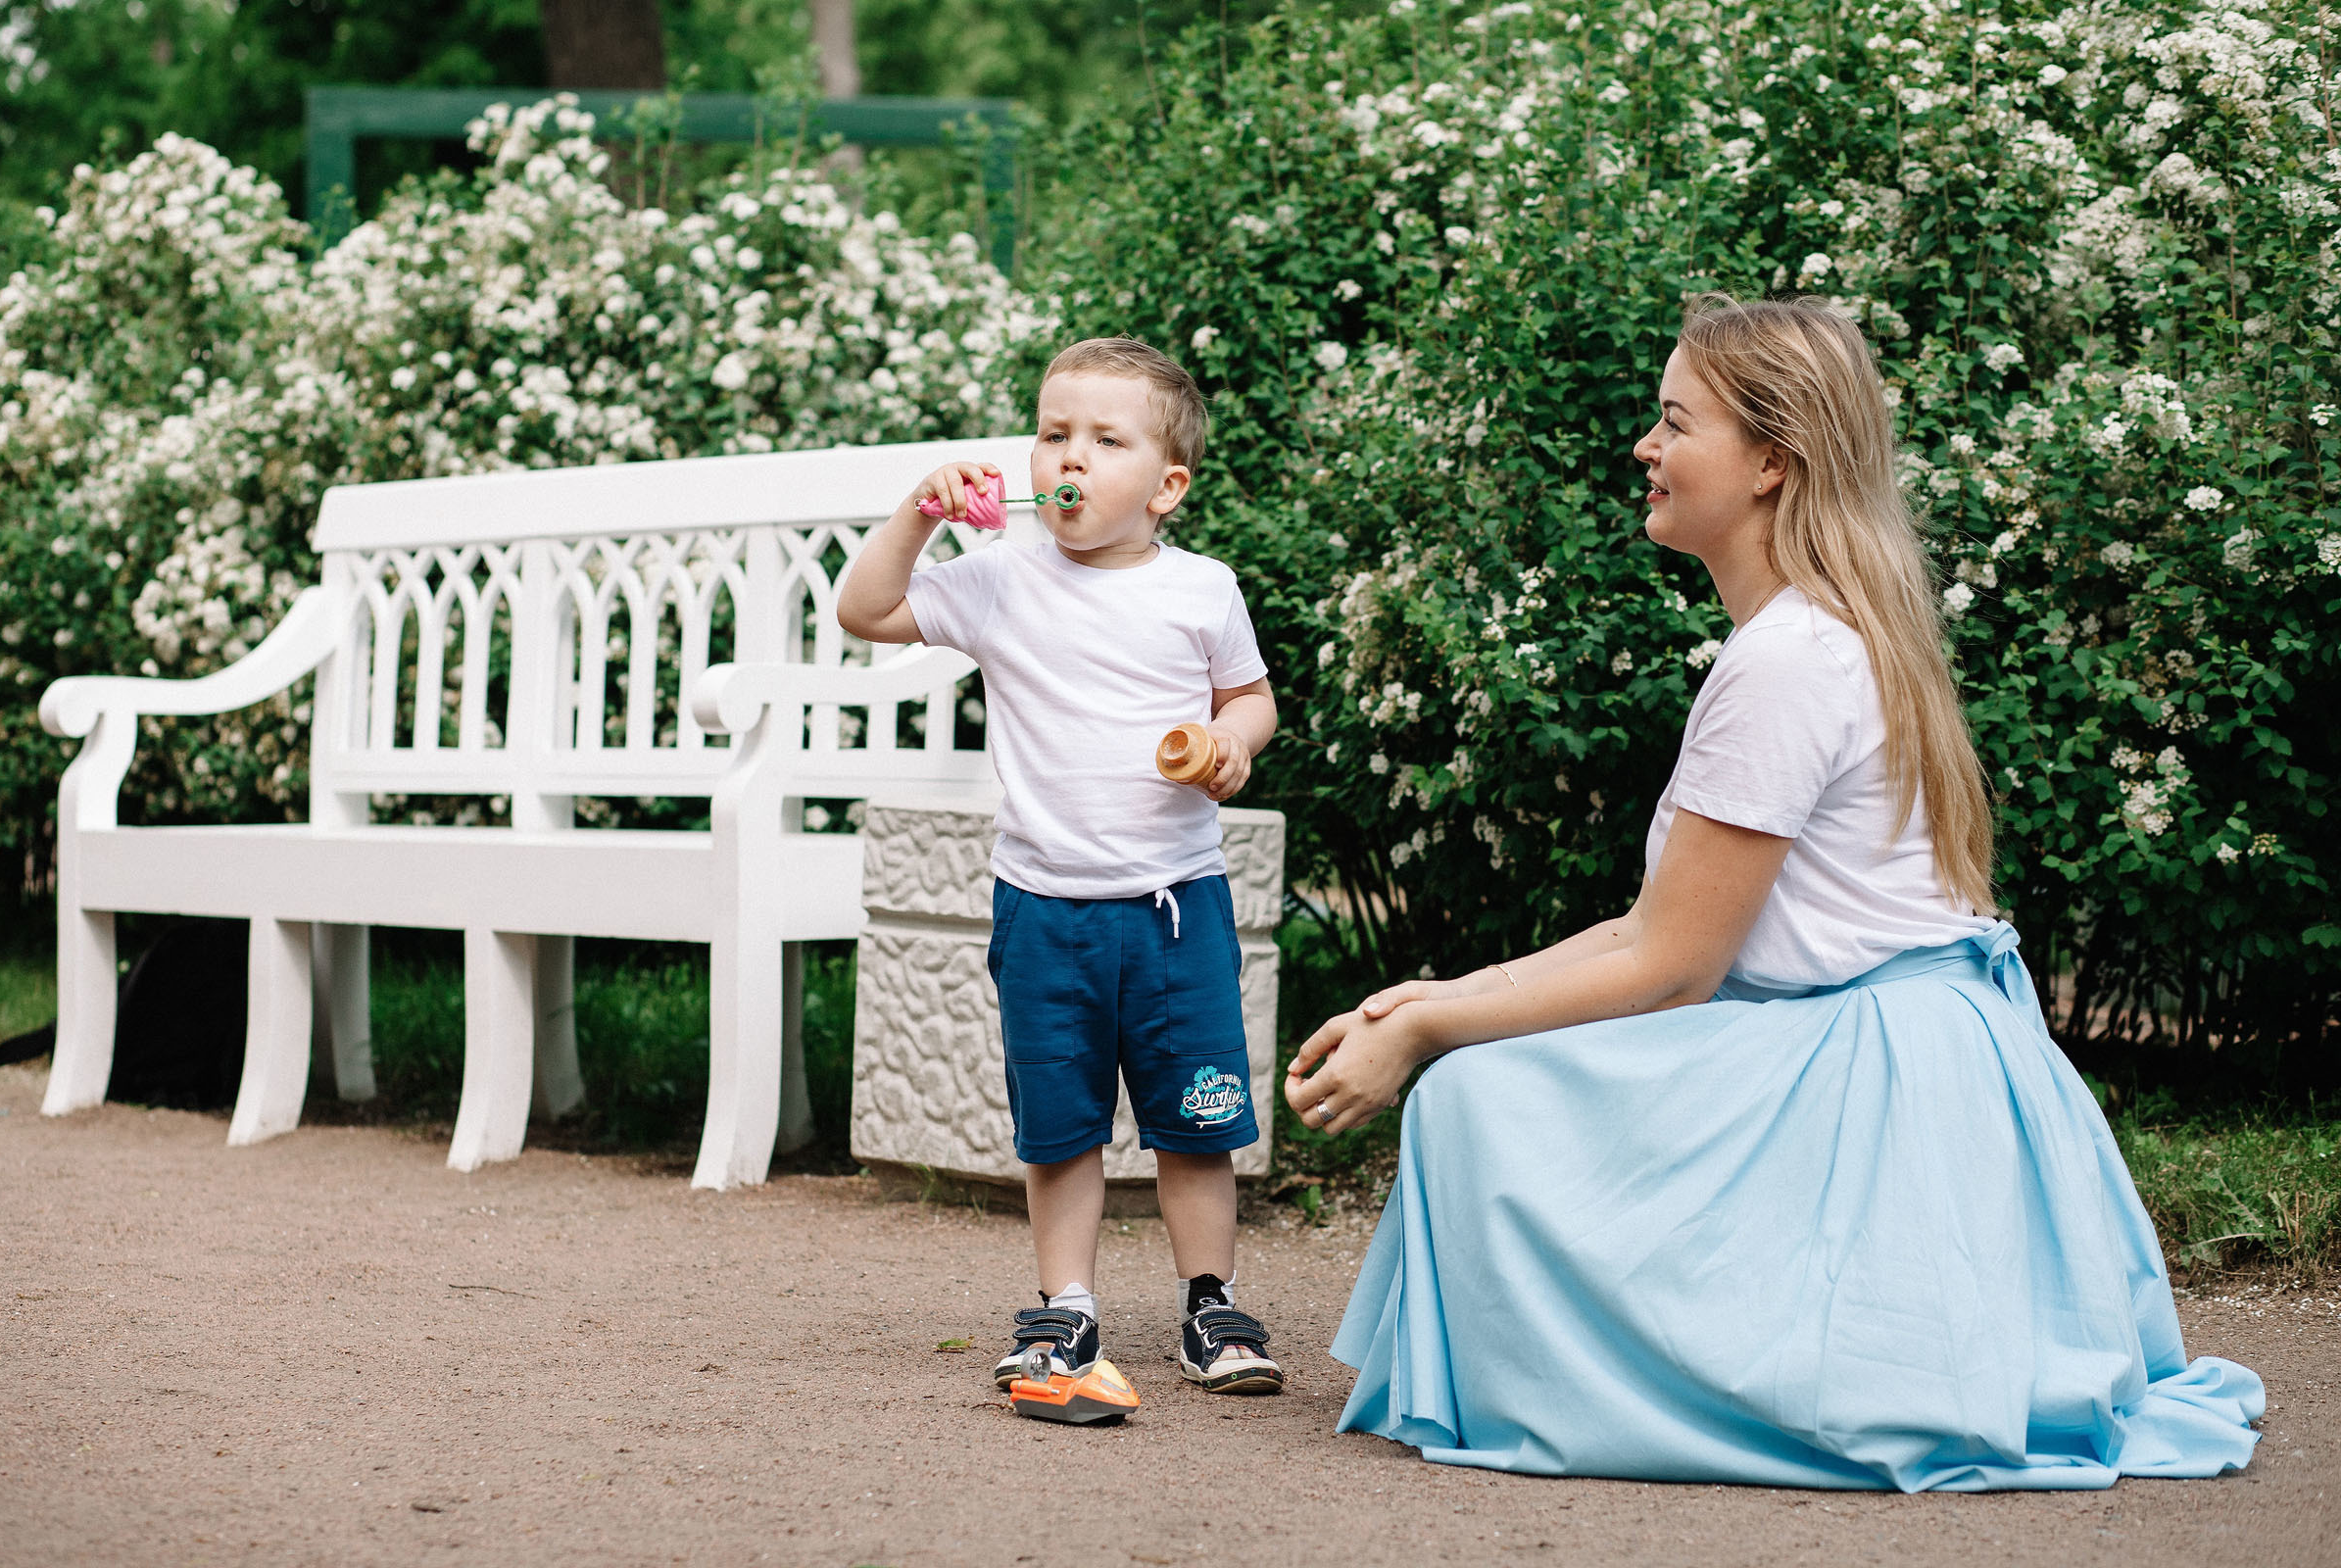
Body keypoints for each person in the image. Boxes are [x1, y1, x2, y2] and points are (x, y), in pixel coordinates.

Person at [1283, 295, 2264, 1489]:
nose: (1646, 448)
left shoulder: (1789, 660)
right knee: (1482, 1079)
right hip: (1911, 1054)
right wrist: (1431, 994)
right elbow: (1653, 924)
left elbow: (1673, 967)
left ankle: (1632, 1384)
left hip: (1875, 1079)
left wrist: (1433, 1034)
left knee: (1477, 1102)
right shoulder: (1823, 636)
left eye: (1672, 421)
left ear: (1768, 463)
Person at [838, 336, 1285, 1396]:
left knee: (1197, 1120)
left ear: (1167, 485)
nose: (1066, 457)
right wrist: (921, 514)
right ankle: (1065, 1309)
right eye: (1051, 434)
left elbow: (1249, 697)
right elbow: (866, 611)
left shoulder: (1202, 588)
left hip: (1177, 907)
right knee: (1061, 1124)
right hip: (1044, 909)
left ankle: (1209, 1303)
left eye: (1102, 438)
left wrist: (1236, 744)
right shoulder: (999, 579)